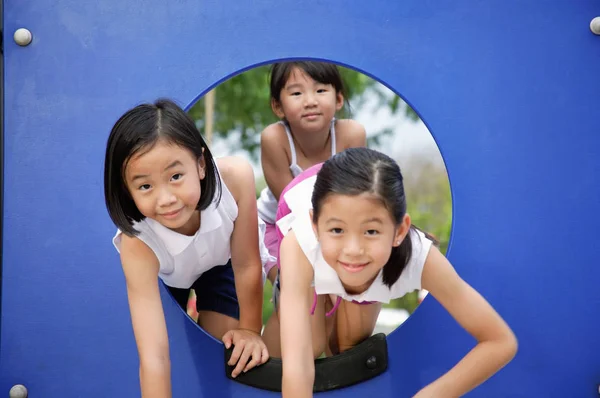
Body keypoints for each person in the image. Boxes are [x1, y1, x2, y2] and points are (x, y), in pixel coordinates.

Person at [267, 147, 517, 397]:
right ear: (315, 226)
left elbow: (500, 341)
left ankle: (340, 283)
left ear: (399, 231)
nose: (353, 250)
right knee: (311, 345)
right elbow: (297, 366)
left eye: (371, 232)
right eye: (337, 231)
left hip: (356, 249)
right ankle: (327, 292)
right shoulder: (299, 242)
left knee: (349, 347)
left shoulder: (419, 256)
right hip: (303, 213)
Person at [104, 99, 271, 397]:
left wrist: (250, 329)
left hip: (221, 263)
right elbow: (154, 357)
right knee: (172, 350)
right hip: (169, 277)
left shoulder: (234, 179)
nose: (166, 198)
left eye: (175, 176)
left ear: (201, 165)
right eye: (145, 186)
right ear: (127, 190)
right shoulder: (137, 241)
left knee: (224, 353)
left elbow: (246, 264)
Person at [257, 61, 367, 285]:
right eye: (297, 93)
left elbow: (359, 197)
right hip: (279, 226)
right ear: (278, 106)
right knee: (293, 291)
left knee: (340, 293)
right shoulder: (275, 139)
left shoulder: (351, 135)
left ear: (338, 99)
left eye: (320, 90)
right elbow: (290, 207)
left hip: (334, 228)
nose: (310, 101)